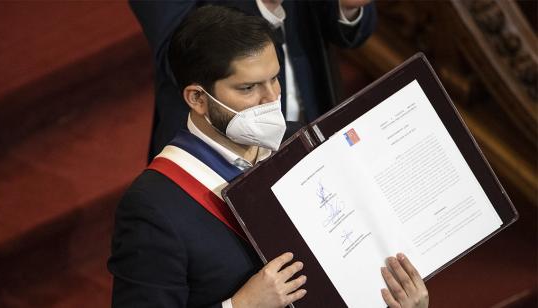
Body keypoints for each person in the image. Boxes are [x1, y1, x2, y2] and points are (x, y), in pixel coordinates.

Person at [108, 5, 429, 308]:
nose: (271, 99)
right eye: (248, 88)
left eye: (274, 79)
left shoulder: (301, 142)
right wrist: (241, 305)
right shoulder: (153, 206)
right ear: (197, 98)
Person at [129, 0, 377, 161]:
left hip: (312, 111)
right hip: (220, 144)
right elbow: (179, 56)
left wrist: (348, 8)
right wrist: (264, 5)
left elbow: (341, 27)